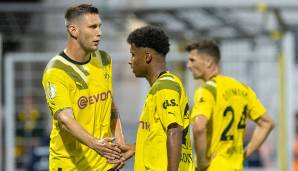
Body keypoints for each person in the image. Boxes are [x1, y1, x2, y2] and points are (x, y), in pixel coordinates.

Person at [42, 4, 125, 170]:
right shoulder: (56, 71)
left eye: (99, 26)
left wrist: (120, 143)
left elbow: (109, 103)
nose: (99, 32)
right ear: (73, 30)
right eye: (92, 27)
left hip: (104, 164)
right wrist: (96, 144)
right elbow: (65, 120)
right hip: (70, 165)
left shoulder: (104, 59)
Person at [185, 40, 274, 171]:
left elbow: (199, 127)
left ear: (209, 62)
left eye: (192, 60)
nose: (188, 65)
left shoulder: (208, 90)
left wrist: (203, 162)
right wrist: (244, 155)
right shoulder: (243, 89)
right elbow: (267, 123)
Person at [119, 26, 194, 171]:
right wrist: (136, 147)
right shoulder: (163, 86)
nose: (130, 61)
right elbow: (160, 134)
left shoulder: (165, 86)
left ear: (147, 56)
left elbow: (174, 130)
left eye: (133, 55)